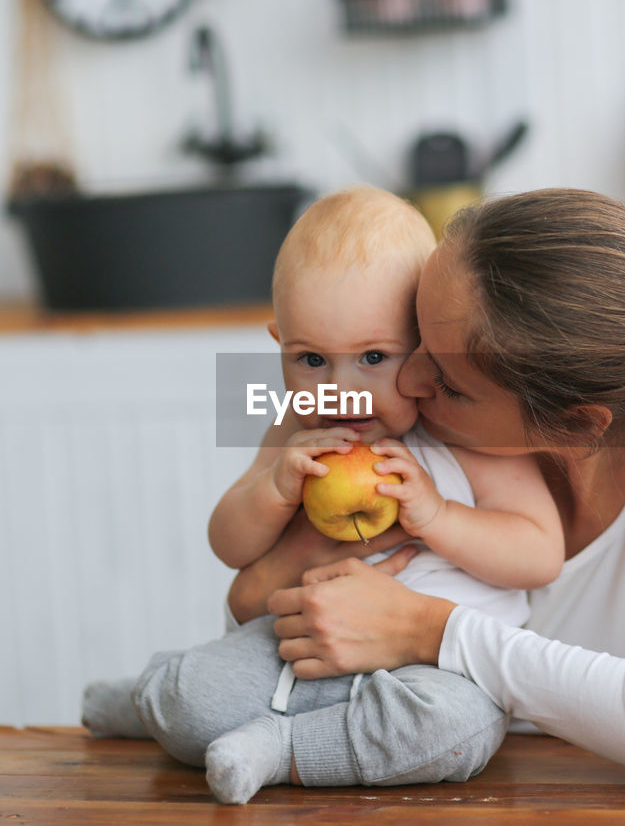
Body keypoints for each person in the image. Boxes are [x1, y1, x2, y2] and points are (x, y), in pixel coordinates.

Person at [230, 188, 625, 792]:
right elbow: (249, 598)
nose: (405, 377)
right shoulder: (384, 430)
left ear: (576, 424)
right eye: (414, 336)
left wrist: (431, 630)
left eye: (449, 383)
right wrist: (278, 570)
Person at [80, 186, 564, 804]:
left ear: (424, 344)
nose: (338, 388)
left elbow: (539, 553)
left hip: (435, 673)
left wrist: (438, 517)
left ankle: (276, 749)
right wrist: (275, 489)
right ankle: (152, 697)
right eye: (310, 358)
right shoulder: (292, 429)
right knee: (194, 707)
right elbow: (228, 543)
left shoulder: (467, 432)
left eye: (372, 356)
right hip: (299, 646)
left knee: (454, 733)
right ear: (276, 340)